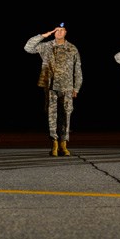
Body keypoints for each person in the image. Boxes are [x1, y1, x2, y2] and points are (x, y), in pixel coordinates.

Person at [24, 22, 83, 157]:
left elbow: (77, 69)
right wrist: (44, 35)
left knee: (66, 115)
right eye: (57, 30)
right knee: (52, 116)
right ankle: (54, 143)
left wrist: (77, 87)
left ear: (66, 32)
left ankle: (64, 144)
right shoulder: (46, 46)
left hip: (67, 87)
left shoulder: (72, 48)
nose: (59, 32)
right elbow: (28, 47)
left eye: (62, 30)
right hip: (50, 86)